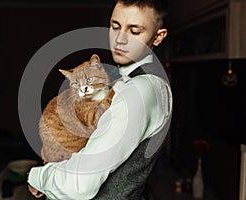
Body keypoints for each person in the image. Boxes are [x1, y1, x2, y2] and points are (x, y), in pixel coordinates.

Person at [27, 0, 172, 199]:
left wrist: (35, 176)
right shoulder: (137, 81)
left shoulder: (138, 90)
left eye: (134, 31)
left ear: (158, 37)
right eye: (115, 27)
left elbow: (80, 184)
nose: (120, 39)